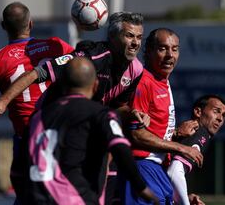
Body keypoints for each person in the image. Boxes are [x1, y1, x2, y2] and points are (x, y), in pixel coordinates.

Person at [0, 11, 148, 204]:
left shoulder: (137, 70)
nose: (135, 42)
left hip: (86, 124)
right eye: (129, 36)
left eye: (139, 37)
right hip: (53, 122)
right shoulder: (90, 57)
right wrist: (3, 101)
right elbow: (37, 73)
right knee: (37, 190)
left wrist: (133, 113)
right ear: (113, 37)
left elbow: (119, 107)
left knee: (103, 181)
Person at [0, 1, 74, 204]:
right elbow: (79, 71)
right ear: (31, 24)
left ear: (4, 27)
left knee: (27, 196)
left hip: (27, 137)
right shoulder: (55, 45)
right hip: (63, 133)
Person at [24, 57, 159, 205]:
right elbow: (120, 148)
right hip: (76, 198)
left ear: (61, 86)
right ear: (95, 86)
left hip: (36, 198)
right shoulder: (102, 114)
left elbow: (19, 167)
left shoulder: (38, 118)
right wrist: (140, 186)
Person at [121, 28, 204, 205]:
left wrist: (175, 133)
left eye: (175, 49)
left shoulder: (162, 81)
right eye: (162, 48)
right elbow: (136, 135)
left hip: (157, 170)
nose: (169, 55)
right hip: (142, 167)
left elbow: (151, 130)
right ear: (148, 51)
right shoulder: (143, 82)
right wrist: (182, 148)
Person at [167, 94, 225, 205]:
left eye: (224, 115)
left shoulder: (192, 133)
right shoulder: (200, 133)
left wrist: (185, 197)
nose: (220, 118)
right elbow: (174, 171)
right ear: (198, 112)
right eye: (216, 111)